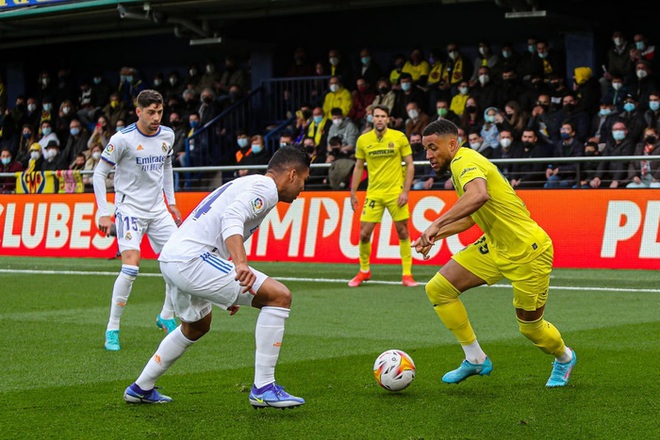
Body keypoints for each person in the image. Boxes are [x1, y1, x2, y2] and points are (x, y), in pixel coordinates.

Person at [123, 145, 310, 408]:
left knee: (197, 326)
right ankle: (264, 388)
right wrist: (240, 264)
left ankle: (140, 387)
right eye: (304, 180)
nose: (302, 189)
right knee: (279, 297)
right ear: (292, 174)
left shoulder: (248, 183)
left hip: (174, 258)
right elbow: (231, 217)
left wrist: (221, 284)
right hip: (192, 259)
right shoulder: (265, 189)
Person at [413, 118, 576, 388]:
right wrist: (433, 235)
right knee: (439, 290)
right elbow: (470, 216)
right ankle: (475, 359)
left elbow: (478, 196)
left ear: (452, 144)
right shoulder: (461, 165)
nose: (428, 155)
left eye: (432, 147)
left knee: (530, 328)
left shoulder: (463, 161)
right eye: (425, 149)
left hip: (528, 250)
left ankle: (564, 357)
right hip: (496, 245)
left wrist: (436, 223)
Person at [93, 89, 183, 351]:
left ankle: (166, 315)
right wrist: (103, 210)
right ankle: (112, 328)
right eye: (151, 112)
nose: (156, 117)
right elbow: (100, 174)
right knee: (131, 268)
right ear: (139, 112)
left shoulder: (168, 135)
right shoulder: (122, 139)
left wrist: (172, 201)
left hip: (158, 210)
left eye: (160, 112)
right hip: (130, 209)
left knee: (179, 260)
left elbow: (167, 167)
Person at [348, 105, 418, 287]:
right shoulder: (363, 140)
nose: (379, 119)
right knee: (364, 234)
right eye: (376, 116)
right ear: (371, 118)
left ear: (388, 119)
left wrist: (405, 191)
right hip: (374, 193)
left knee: (403, 232)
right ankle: (364, 270)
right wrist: (353, 191)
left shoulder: (399, 137)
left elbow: (410, 165)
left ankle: (407, 274)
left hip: (396, 192)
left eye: (383, 116)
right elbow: (358, 166)